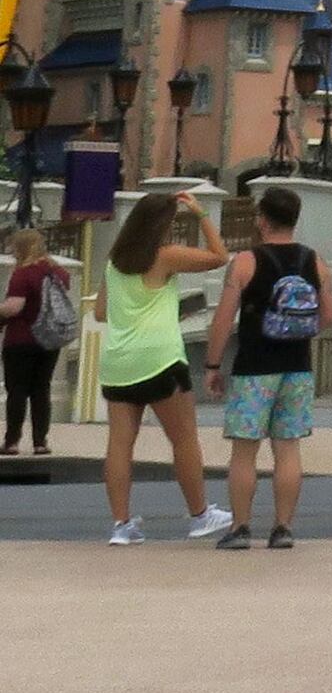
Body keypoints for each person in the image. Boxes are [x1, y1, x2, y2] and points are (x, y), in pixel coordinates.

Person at [204, 183, 332, 547]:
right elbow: (329, 314)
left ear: (262, 220)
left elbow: (223, 319)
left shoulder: (246, 262)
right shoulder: (315, 261)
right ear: (294, 220)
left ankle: (241, 528)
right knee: (288, 447)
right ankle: (283, 529)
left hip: (254, 368)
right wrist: (299, 332)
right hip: (298, 367)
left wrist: (213, 364)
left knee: (245, 451)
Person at [96, 190, 229, 544]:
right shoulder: (165, 256)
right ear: (164, 225)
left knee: (120, 445)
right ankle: (200, 514)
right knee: (183, 438)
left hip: (118, 362)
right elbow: (219, 256)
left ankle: (121, 525)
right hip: (160, 359)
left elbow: (99, 312)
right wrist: (200, 214)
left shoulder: (114, 262)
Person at [2, 225, 70, 456]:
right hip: (50, 340)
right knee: (42, 390)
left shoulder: (23, 274)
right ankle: (40, 442)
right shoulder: (58, 272)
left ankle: (11, 442)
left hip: (21, 340)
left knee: (17, 391)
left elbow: (14, 307)